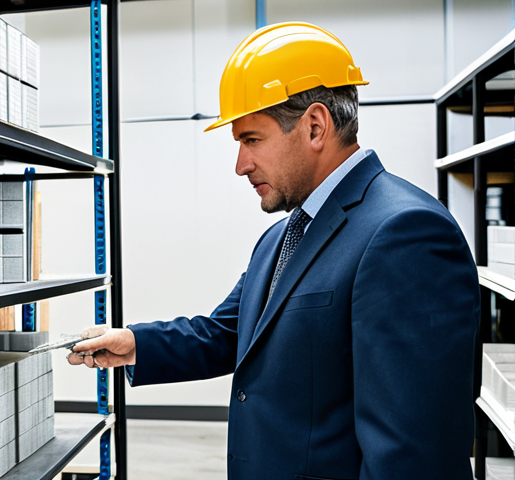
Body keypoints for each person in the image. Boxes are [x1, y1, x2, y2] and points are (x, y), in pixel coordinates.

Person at [68, 22, 480, 480]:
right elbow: (228, 333)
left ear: (316, 126)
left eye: (252, 140)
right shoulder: (284, 235)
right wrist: (135, 344)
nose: (241, 165)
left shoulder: (405, 234)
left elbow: (413, 455)